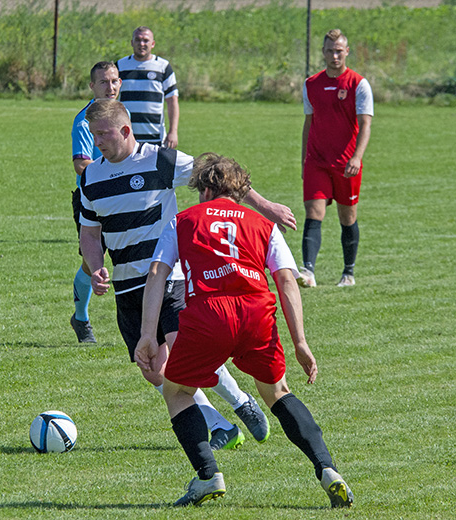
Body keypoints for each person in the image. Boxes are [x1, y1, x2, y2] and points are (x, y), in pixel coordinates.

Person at [135, 153, 353, 508]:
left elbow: (158, 274)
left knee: (176, 391)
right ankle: (328, 469)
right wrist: (300, 341)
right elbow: (286, 279)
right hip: (256, 313)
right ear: (237, 191)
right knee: (277, 392)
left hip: (209, 314)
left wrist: (147, 334)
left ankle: (208, 476)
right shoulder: (263, 225)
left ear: (206, 188)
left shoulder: (182, 221)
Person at [79, 100, 298, 450]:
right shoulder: (91, 176)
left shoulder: (160, 160)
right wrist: (96, 268)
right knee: (153, 370)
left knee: (183, 355)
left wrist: (264, 205)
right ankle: (221, 424)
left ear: (125, 130)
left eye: (103, 133)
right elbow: (89, 233)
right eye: (94, 134)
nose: (98, 141)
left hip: (170, 277)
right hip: (126, 284)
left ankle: (241, 402)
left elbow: (218, 173)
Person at [299, 29, 373, 288]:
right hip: (317, 161)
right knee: (313, 212)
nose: (334, 55)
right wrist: (303, 159)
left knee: (347, 217)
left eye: (339, 50)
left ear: (347, 52)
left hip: (346, 164)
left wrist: (357, 157)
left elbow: (365, 125)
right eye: (330, 50)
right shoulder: (311, 84)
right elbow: (308, 124)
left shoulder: (358, 84)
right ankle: (308, 271)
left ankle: (348, 272)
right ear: (323, 52)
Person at [69, 61, 123, 343]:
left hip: (125, 195)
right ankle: (80, 318)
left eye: (114, 81)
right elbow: (81, 164)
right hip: (93, 201)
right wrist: (113, 173)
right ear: (92, 86)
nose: (110, 87)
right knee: (93, 265)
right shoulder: (84, 120)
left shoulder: (124, 115)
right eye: (103, 82)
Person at [117, 26, 179, 148]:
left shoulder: (163, 67)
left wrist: (173, 131)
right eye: (138, 40)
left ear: (153, 44)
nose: (141, 44)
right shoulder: (120, 66)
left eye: (146, 40)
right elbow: (110, 97)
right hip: (126, 134)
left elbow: (172, 101)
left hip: (155, 136)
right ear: (132, 42)